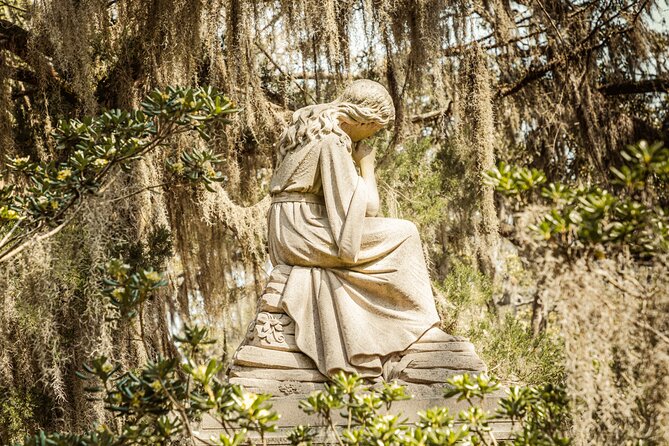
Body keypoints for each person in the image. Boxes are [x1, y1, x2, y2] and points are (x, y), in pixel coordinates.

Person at [268, 79, 440, 378]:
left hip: (288, 225)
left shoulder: (308, 128)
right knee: (405, 233)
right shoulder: (333, 139)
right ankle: (419, 328)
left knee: (392, 234)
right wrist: (366, 164)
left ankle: (394, 326)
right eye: (375, 128)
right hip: (304, 228)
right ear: (363, 119)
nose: (372, 136)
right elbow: (366, 206)